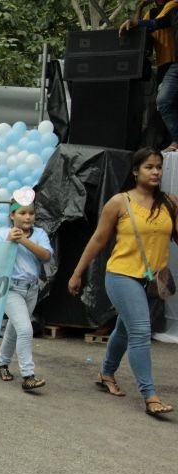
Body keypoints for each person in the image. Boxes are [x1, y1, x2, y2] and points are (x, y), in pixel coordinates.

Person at [68, 148, 177, 416]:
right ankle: (150, 396)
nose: (155, 172)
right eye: (149, 167)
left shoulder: (170, 203)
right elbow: (98, 239)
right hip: (121, 275)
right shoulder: (119, 202)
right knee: (140, 331)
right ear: (135, 171)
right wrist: (77, 273)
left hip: (152, 280)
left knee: (125, 329)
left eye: (158, 167)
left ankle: (106, 372)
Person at [0, 188, 52, 390]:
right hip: (10, 289)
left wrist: (23, 241)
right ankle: (28, 375)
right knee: (26, 330)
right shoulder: (2, 234)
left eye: (31, 213)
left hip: (31, 289)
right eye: (22, 213)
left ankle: (2, 363)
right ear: (12, 215)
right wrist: (10, 240)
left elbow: (46, 256)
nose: (27, 217)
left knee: (14, 330)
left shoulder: (40, 234)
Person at [121, 4, 178, 151]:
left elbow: (158, 23)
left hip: (174, 62)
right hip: (165, 63)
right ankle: (173, 141)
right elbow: (144, 29)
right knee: (166, 103)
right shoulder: (156, 12)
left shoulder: (174, 5)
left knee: (164, 101)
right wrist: (140, 9)